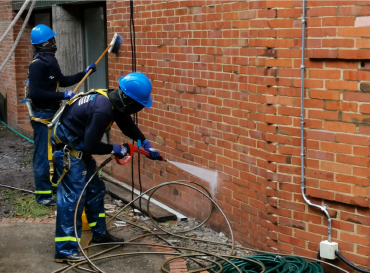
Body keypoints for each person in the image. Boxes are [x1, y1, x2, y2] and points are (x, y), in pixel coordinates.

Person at [51, 72, 162, 262]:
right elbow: (90, 145)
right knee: (73, 199)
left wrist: (144, 142)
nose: (140, 109)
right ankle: (65, 250)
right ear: (129, 101)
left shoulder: (114, 98)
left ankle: (100, 235)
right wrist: (116, 148)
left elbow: (125, 122)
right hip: (70, 151)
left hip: (79, 148)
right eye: (139, 105)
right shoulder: (102, 109)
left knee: (95, 190)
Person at [28, 24, 96, 206]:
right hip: (42, 115)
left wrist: (85, 73)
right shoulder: (38, 65)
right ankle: (43, 196)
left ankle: (54, 186)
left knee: (57, 152)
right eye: (52, 40)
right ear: (45, 44)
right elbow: (35, 93)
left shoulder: (50, 62)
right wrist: (63, 95)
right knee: (43, 155)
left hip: (53, 113)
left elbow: (63, 80)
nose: (55, 43)